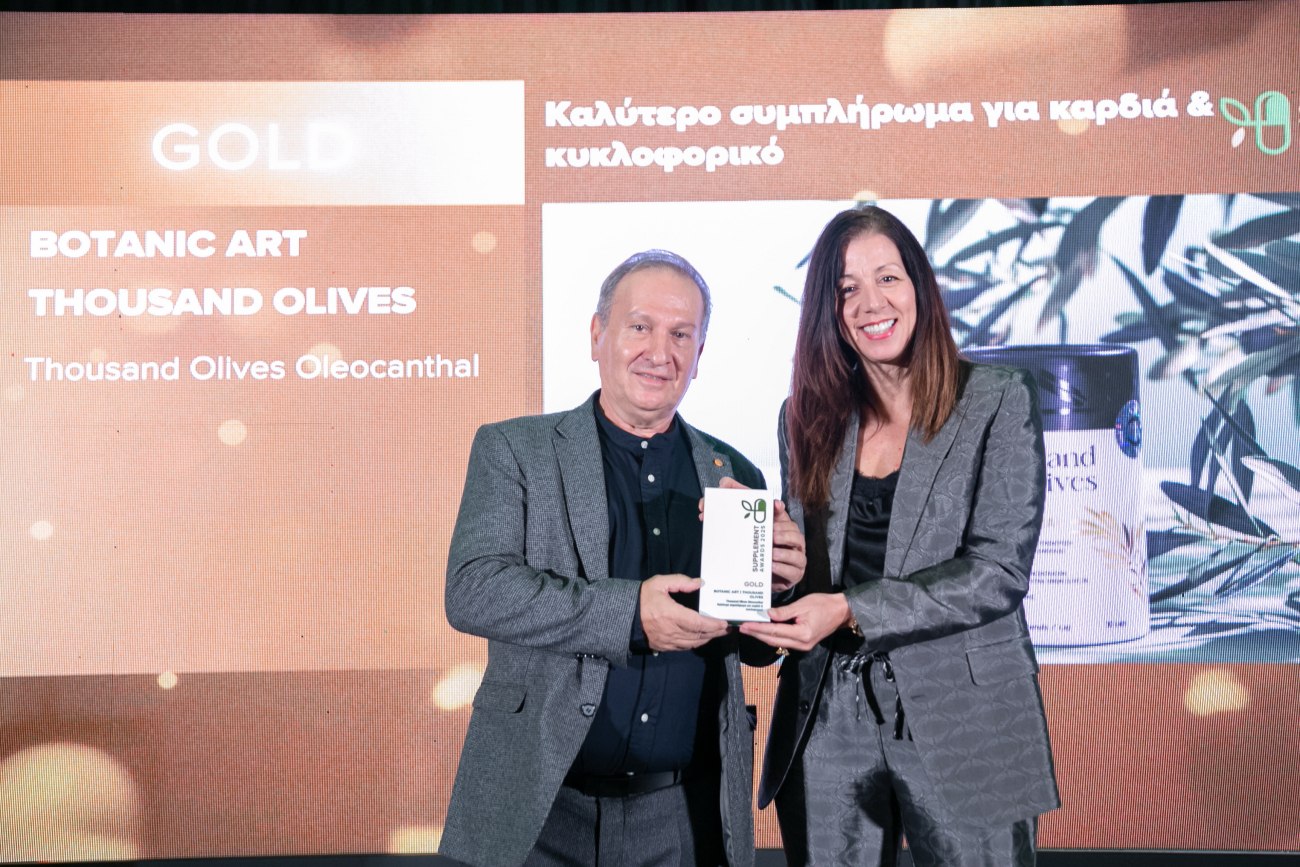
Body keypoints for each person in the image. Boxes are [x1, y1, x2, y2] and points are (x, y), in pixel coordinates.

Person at [440, 250, 806, 867]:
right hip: (538, 807)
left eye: (681, 334)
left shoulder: (733, 472)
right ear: (597, 335)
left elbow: (750, 647)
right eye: (640, 326)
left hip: (683, 817)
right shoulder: (516, 449)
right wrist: (632, 614)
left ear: (699, 354)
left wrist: (779, 592)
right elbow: (474, 590)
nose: (660, 352)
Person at [740, 207, 1060, 866]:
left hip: (966, 712)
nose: (871, 303)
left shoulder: (997, 398)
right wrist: (769, 567)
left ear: (919, 286)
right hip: (828, 715)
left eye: (887, 277)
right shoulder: (804, 416)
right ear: (827, 311)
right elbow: (808, 579)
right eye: (847, 288)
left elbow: (998, 571)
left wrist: (850, 608)